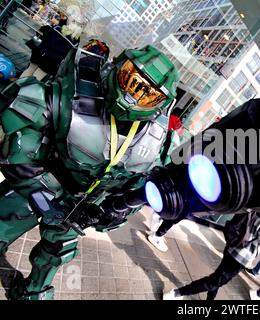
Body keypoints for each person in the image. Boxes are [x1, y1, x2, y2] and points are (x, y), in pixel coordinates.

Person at [0, 44, 180, 300]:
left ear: (161, 104)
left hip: (85, 203)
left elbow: (140, 183)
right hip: (48, 180)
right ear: (119, 66)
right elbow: (18, 155)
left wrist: (116, 209)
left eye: (148, 94)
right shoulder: (72, 92)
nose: (134, 96)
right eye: (131, 79)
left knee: (57, 252)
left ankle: (34, 292)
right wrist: (48, 204)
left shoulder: (157, 137)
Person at [163, 211, 260, 300]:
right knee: (214, 282)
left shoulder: (257, 203)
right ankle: (176, 293)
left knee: (218, 276)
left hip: (232, 245)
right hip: (241, 257)